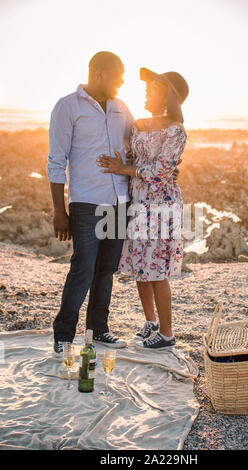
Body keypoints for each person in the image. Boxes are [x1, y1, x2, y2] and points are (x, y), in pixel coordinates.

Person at [47, 51, 135, 353]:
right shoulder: (67, 107)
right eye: (118, 75)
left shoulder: (121, 108)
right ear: (99, 73)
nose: (122, 81)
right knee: (82, 267)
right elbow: (56, 161)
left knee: (106, 269)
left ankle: (98, 329)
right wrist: (60, 210)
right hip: (86, 202)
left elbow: (135, 144)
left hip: (119, 202)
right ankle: (64, 335)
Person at [97, 67, 189, 349]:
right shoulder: (138, 124)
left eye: (154, 88)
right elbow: (134, 156)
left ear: (168, 95)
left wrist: (125, 168)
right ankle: (150, 323)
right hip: (137, 202)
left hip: (162, 206)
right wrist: (125, 165)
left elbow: (162, 170)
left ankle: (167, 334)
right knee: (141, 267)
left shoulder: (176, 131)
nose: (147, 92)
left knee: (157, 269)